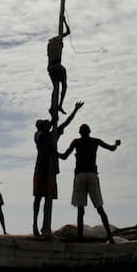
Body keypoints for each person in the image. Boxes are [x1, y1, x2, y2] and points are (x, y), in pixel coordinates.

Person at [59, 123, 120, 243]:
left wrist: (53, 152)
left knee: (80, 210)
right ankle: (110, 237)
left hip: (80, 176)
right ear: (89, 132)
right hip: (92, 175)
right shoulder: (95, 141)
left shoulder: (76, 142)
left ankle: (80, 239)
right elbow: (111, 148)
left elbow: (64, 156)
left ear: (80, 133)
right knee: (100, 208)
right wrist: (116, 144)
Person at [33, 100, 84, 237]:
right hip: (41, 169)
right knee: (38, 198)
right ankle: (35, 224)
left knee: (48, 198)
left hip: (51, 170)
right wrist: (52, 119)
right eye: (43, 125)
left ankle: (45, 226)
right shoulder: (39, 135)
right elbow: (45, 131)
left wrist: (75, 110)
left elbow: (66, 123)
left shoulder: (53, 134)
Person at [46, 19, 71, 114]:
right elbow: (68, 32)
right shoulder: (57, 40)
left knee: (56, 87)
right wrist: (64, 21)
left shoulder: (49, 45)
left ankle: (53, 106)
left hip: (50, 68)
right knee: (64, 85)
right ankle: (59, 105)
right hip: (57, 66)